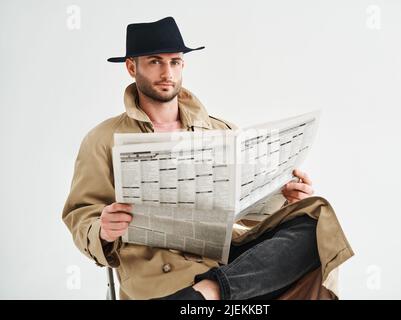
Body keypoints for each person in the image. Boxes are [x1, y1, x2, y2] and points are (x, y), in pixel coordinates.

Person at [62, 16, 354, 300]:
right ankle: (211, 294)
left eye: (174, 62)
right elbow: (81, 215)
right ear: (131, 67)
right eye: (155, 62)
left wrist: (283, 196)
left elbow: (246, 207)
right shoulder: (102, 139)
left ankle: (209, 293)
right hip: (155, 279)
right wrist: (102, 229)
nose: (168, 73)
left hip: (222, 268)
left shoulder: (220, 131)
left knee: (316, 217)